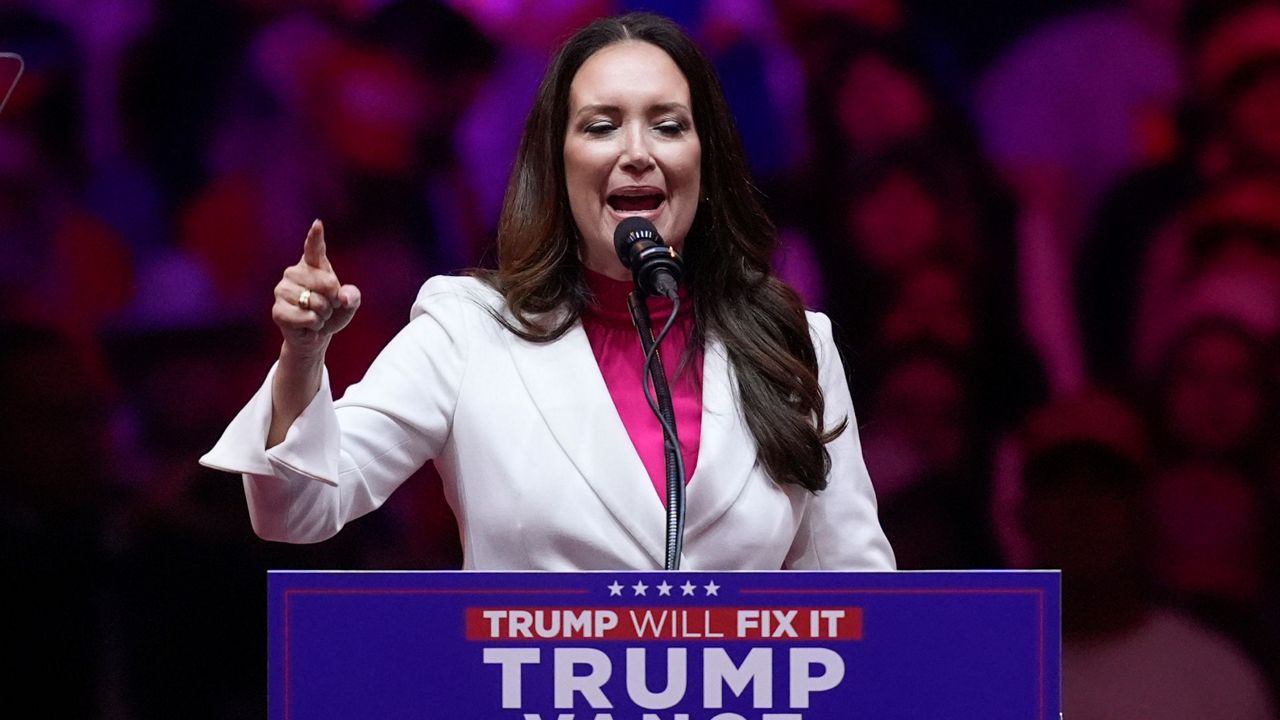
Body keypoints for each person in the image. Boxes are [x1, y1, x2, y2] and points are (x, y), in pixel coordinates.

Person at [200, 12, 895, 572]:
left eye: (668, 124)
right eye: (600, 126)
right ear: (554, 166)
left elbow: (856, 599)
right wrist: (302, 356)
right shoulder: (467, 332)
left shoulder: (792, 342)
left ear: (704, 161)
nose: (637, 151)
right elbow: (297, 511)